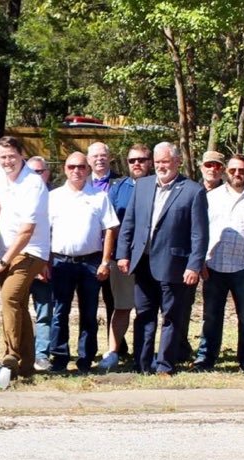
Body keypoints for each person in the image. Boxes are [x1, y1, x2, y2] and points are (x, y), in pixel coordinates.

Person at [115, 142, 207, 376]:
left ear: (177, 162)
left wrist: (194, 265)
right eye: (157, 163)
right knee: (144, 315)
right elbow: (130, 223)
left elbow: (199, 233)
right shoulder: (143, 186)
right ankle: (142, 363)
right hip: (142, 263)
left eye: (165, 162)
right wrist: (123, 253)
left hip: (174, 264)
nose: (161, 167)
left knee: (171, 317)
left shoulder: (193, 190)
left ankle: (165, 365)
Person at [0, 138, 50, 378]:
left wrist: (4, 261)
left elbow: (26, 232)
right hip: (4, 250)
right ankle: (27, 367)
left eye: (12, 157)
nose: (7, 162)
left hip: (30, 251)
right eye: (3, 157)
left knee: (9, 298)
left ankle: (12, 355)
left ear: (22, 156)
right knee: (18, 305)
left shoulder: (33, 185)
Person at [44, 152, 119, 373]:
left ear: (87, 169)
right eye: (71, 167)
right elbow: (44, 232)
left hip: (90, 263)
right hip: (60, 262)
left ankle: (85, 359)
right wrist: (44, 263)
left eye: (81, 167)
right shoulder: (53, 197)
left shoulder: (99, 196)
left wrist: (105, 262)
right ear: (64, 169)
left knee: (89, 313)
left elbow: (110, 229)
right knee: (60, 312)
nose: (76, 171)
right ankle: (59, 358)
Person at [202, 152, 244, 373]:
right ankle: (206, 359)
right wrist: (200, 261)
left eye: (241, 170)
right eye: (233, 170)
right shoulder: (211, 197)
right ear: (225, 171)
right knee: (211, 317)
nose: (237, 174)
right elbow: (200, 232)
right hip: (213, 265)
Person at [100, 144, 151, 370]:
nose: (137, 164)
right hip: (124, 259)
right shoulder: (118, 188)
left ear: (150, 162)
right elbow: (110, 225)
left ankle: (147, 352)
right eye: (132, 160)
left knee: (149, 308)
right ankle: (113, 352)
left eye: (141, 159)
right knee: (122, 307)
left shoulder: (160, 187)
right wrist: (116, 255)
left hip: (152, 258)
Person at [22, 156, 55, 371]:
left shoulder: (54, 198)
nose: (35, 176)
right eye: (31, 172)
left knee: (44, 313)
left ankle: (42, 355)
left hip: (45, 264)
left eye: (39, 172)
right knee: (18, 311)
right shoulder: (18, 195)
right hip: (20, 263)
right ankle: (21, 353)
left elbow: (53, 234)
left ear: (47, 173)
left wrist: (44, 263)